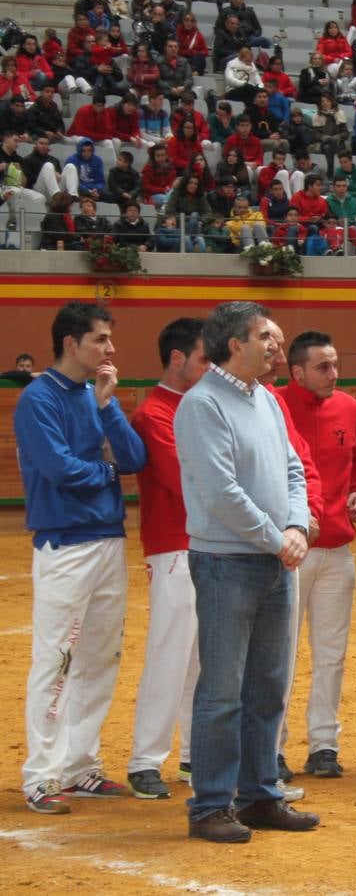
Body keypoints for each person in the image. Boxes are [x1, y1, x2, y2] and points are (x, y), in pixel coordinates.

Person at [173, 302, 316, 843]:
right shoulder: (202, 405)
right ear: (235, 344)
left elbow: (293, 468)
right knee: (222, 691)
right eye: (266, 337)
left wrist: (298, 525)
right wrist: (277, 537)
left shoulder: (268, 401)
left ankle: (259, 796)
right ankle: (211, 805)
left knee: (269, 687)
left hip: (275, 556)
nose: (277, 346)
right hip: (227, 561)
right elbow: (220, 491)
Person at [15, 302, 147, 815]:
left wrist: (108, 407)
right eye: (100, 340)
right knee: (58, 659)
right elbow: (60, 469)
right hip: (65, 543)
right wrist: (107, 472)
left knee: (100, 658)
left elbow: (134, 458)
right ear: (71, 343)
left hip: (107, 539)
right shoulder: (37, 398)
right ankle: (42, 776)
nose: (110, 349)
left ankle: (79, 765)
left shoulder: (96, 397)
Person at [278, 332, 356, 780]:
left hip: (336, 547)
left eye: (335, 365)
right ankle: (271, 746)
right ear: (297, 371)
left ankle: (324, 745)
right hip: (287, 551)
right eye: (323, 367)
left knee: (331, 654)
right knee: (279, 654)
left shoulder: (349, 408)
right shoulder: (272, 407)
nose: (334, 374)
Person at [126, 318, 212, 801]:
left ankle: (193, 754)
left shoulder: (195, 407)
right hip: (174, 544)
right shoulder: (154, 413)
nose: (211, 367)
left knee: (202, 658)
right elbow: (187, 482)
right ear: (177, 359)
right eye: (203, 358)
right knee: (170, 654)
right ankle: (145, 759)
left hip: (206, 543)